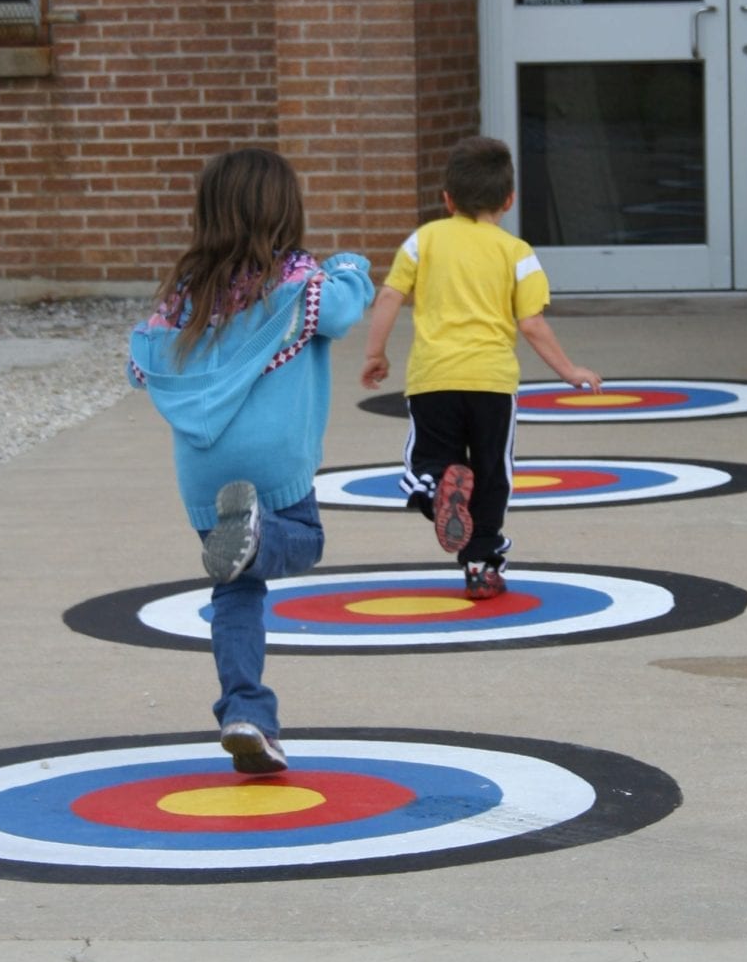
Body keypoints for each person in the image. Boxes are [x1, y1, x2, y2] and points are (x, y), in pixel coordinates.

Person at [129, 147, 373, 774]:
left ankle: (247, 714)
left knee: (236, 593)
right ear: (284, 210)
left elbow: (140, 366)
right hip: (271, 463)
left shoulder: (185, 294)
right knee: (304, 540)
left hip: (204, 470)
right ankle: (259, 536)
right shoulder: (296, 282)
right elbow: (345, 311)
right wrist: (351, 266)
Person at [360, 135, 601, 599]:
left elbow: (390, 295)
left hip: (434, 379)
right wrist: (568, 370)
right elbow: (530, 324)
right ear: (508, 200)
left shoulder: (424, 239)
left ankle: (434, 491)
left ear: (447, 199)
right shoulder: (516, 252)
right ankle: (482, 566)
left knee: (427, 458)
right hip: (492, 383)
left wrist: (376, 352)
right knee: (492, 474)